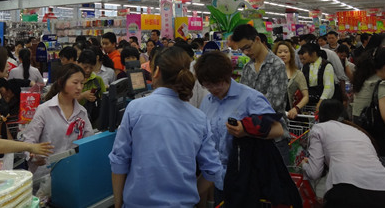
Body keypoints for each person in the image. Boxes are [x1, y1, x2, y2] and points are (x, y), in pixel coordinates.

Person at [109, 47, 222, 208]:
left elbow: (119, 160)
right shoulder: (199, 118)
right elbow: (213, 170)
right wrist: (191, 194)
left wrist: (118, 204)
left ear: (156, 72)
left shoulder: (135, 109)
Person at [195, 51, 284, 205]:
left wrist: (246, 130)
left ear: (227, 75)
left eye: (218, 82)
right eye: (207, 85)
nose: (214, 88)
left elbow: (278, 130)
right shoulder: (207, 102)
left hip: (246, 178)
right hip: (219, 179)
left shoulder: (250, 98)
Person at [301, 99, 385, 208]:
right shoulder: (359, 131)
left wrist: (304, 164)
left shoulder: (319, 128)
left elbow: (314, 173)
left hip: (347, 191)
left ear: (321, 115)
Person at [229, 24, 289, 162]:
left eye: (247, 47)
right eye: (242, 49)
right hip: (252, 136)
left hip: (274, 137)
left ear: (257, 40)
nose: (246, 52)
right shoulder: (247, 67)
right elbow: (241, 99)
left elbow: (273, 104)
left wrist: (247, 115)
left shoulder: (277, 65)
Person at [23, 64, 93, 175]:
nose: (79, 87)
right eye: (75, 83)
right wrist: (33, 156)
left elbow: (89, 142)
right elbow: (29, 140)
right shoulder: (44, 110)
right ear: (61, 82)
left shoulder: (82, 112)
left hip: (71, 172)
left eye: (82, 83)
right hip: (45, 174)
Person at [274, 41, 309, 119]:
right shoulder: (270, 73)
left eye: (286, 52)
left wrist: (296, 108)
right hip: (274, 115)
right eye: (279, 52)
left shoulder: (298, 74)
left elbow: (306, 96)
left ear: (291, 55)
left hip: (291, 116)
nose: (283, 54)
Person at [298, 42, 335, 109]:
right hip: (308, 103)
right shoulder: (305, 66)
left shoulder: (326, 65)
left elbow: (329, 87)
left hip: (323, 103)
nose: (303, 55)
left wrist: (320, 102)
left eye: (305, 53)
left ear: (313, 53)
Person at [76, 49, 106, 123]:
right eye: (85, 67)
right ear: (78, 63)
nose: (88, 70)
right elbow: (66, 102)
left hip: (93, 119)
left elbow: (104, 100)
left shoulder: (98, 80)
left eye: (91, 68)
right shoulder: (72, 80)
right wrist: (83, 95)